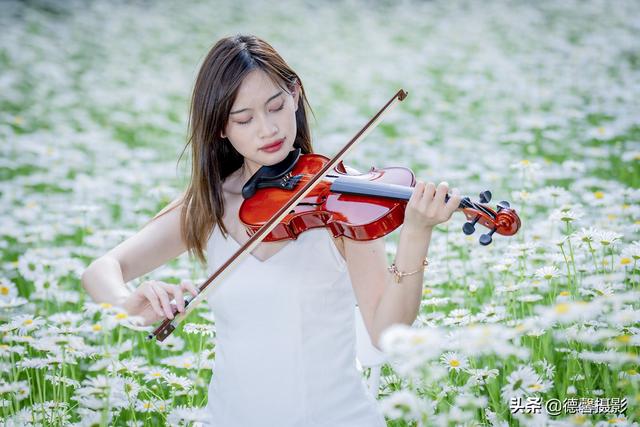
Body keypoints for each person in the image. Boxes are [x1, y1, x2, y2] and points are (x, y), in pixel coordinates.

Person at [81, 33, 461, 427]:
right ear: (221, 129)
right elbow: (100, 270)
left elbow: (386, 333)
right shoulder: (208, 204)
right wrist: (127, 303)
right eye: (244, 119)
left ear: (295, 95)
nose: (267, 129)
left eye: (276, 106)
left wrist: (416, 234)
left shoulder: (338, 203)